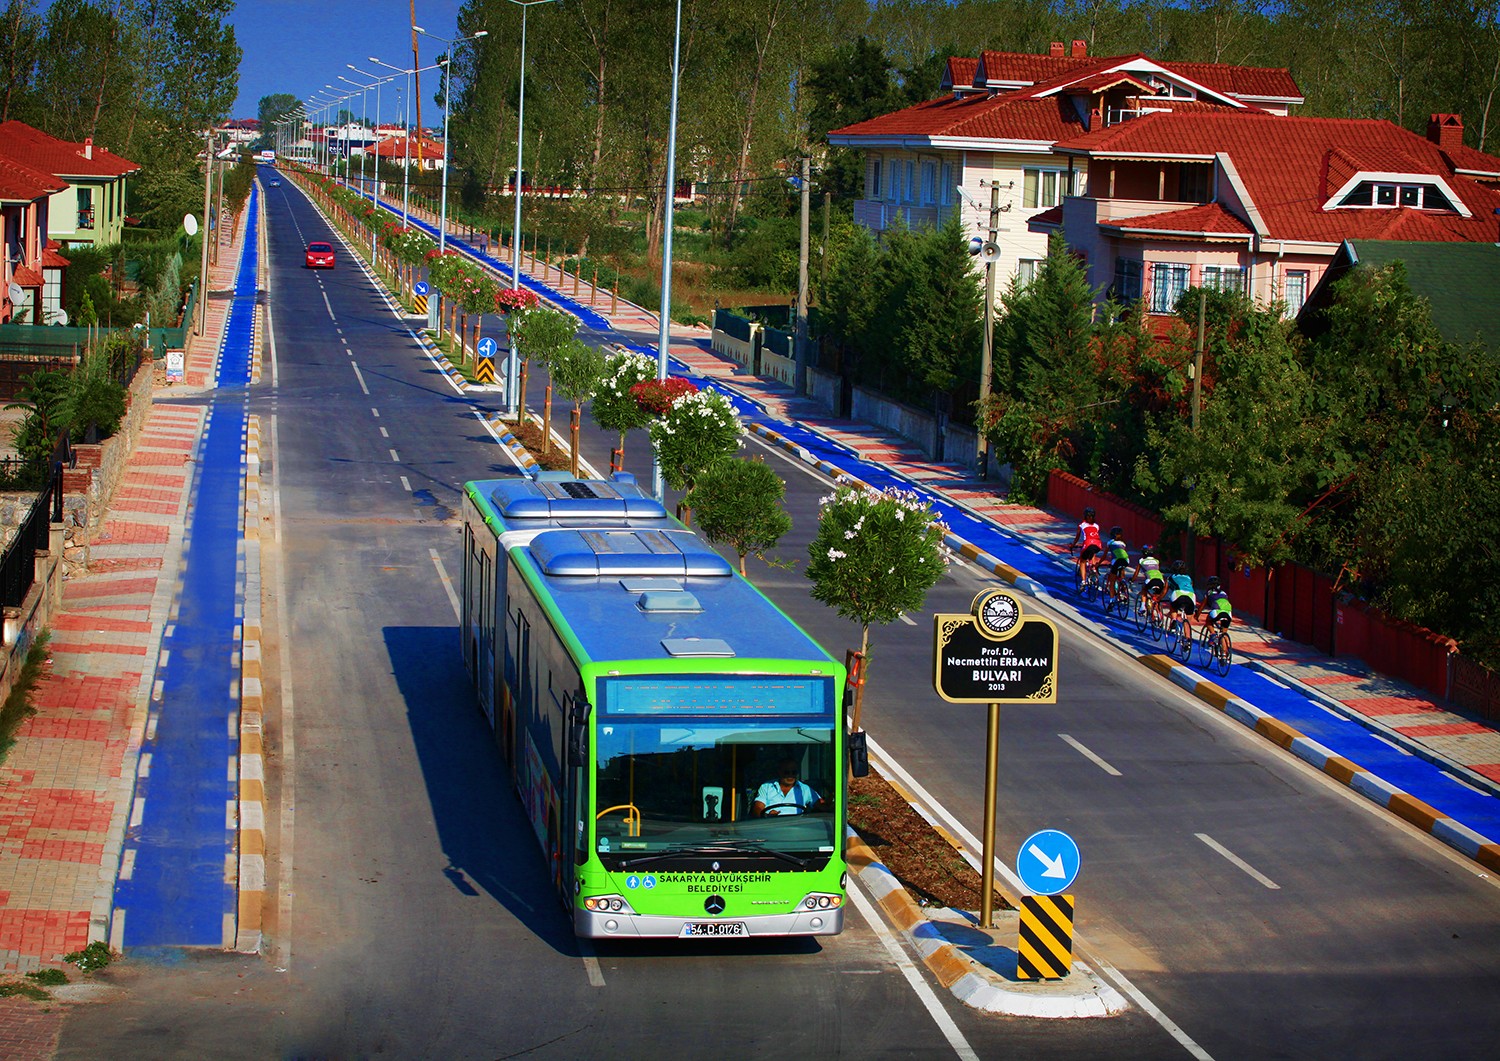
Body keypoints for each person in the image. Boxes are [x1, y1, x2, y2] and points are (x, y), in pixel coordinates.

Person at [752, 760, 827, 817]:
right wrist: (767, 815)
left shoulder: (805, 789)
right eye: (787, 772)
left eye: (793, 772)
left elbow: (822, 806)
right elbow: (757, 808)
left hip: (797, 829)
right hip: (771, 826)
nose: (790, 776)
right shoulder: (766, 787)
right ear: (779, 772)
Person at [1069, 507, 1103, 587]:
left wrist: (1073, 545)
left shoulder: (1082, 525)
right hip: (1098, 544)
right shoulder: (1097, 526)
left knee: (1082, 561)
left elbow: (1077, 537)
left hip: (1088, 543)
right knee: (1093, 552)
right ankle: (1093, 568)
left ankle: (1083, 581)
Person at [1136, 543, 1166, 617]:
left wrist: (1132, 580)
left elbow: (1136, 573)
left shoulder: (1141, 561)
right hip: (1161, 581)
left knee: (1144, 590)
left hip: (1150, 580)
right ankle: (1159, 614)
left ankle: (1142, 607)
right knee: (1157, 597)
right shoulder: (1157, 561)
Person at [1104, 526, 1131, 598]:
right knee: (1121, 568)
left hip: (1116, 561)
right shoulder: (1123, 543)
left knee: (1112, 581)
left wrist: (1099, 563)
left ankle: (1111, 600)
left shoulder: (1110, 542)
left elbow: (1104, 555)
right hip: (1126, 560)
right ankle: (1123, 584)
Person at [1167, 560, 1197, 624]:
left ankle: (1174, 620)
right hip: (1191, 596)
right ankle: (1187, 633)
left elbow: (1165, 591)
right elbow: (1191, 587)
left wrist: (1158, 598)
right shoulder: (1189, 578)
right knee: (1188, 620)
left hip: (1178, 594)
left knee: (1173, 606)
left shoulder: (1171, 577)